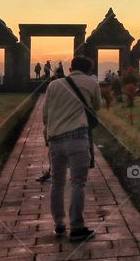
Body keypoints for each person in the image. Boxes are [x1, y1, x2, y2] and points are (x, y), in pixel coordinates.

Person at [43, 55, 101, 241]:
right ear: (89, 70)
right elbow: (97, 106)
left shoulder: (53, 85)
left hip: (55, 140)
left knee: (57, 183)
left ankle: (59, 225)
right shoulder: (91, 83)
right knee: (78, 183)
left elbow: (45, 115)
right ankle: (76, 227)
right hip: (77, 138)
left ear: (70, 69)